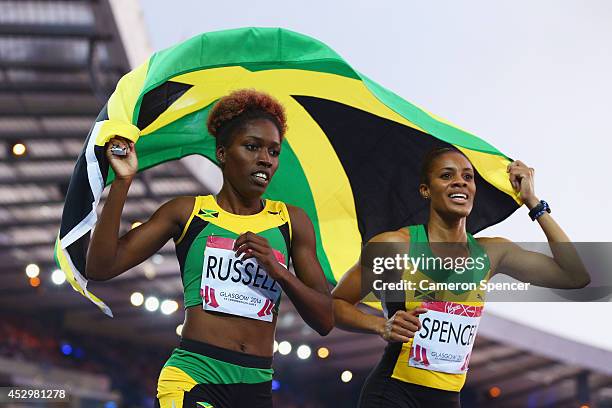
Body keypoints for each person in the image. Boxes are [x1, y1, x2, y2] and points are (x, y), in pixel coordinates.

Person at [85, 89, 334, 408]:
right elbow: (101, 266)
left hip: (257, 387)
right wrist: (122, 181)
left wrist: (279, 272)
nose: (265, 160)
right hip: (194, 378)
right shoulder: (186, 212)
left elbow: (325, 319)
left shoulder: (291, 221)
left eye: (274, 151)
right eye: (252, 146)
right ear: (222, 153)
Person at [332, 147, 589, 408]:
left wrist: (533, 203)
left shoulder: (492, 253)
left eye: (468, 177)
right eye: (446, 175)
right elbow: (335, 305)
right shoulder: (396, 245)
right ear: (426, 190)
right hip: (392, 394)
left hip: (448, 400)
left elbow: (575, 275)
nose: (460, 182)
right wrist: (379, 326)